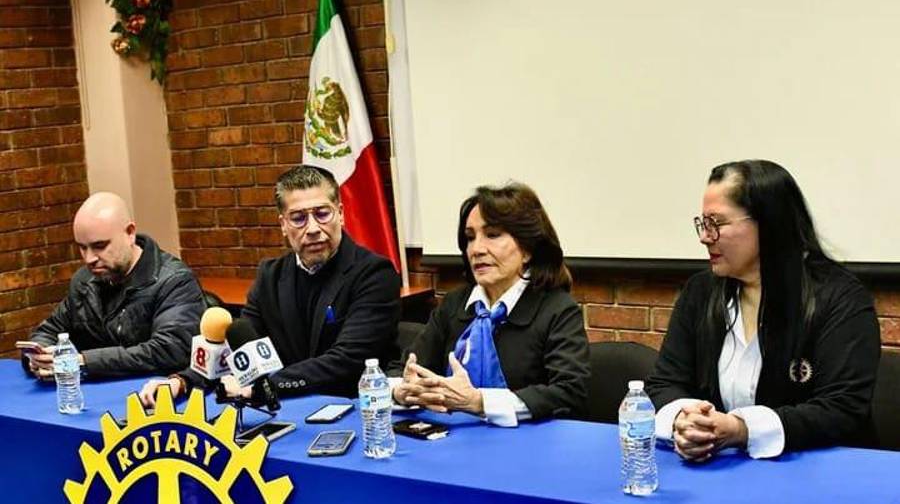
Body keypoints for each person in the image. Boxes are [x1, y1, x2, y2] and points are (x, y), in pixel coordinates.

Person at [646, 160, 880, 460]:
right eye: (703, 224)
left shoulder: (841, 299)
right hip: (721, 472)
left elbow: (842, 408)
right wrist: (685, 420)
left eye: (716, 224)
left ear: (769, 223)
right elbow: (665, 382)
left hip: (816, 474)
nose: (705, 237)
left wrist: (742, 429)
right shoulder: (701, 293)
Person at [139, 166, 401, 407]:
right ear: (283, 225)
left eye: (322, 214)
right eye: (298, 218)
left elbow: (346, 360)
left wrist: (263, 387)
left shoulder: (374, 273)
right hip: (285, 409)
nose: (312, 228)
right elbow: (238, 352)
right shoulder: (271, 276)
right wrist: (182, 381)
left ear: (341, 214)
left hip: (352, 409)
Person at [389, 182, 590, 426]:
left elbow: (569, 393)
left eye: (492, 235)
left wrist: (478, 402)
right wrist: (402, 390)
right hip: (453, 442)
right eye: (470, 238)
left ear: (527, 249)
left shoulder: (558, 309)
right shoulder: (455, 304)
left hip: (527, 447)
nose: (476, 249)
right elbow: (403, 369)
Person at [25, 192, 204, 379]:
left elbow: (169, 350)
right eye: (82, 247)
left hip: (154, 394)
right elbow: (49, 330)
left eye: (100, 246)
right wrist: (39, 356)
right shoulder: (85, 281)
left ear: (130, 233)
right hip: (96, 392)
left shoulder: (174, 281)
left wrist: (84, 361)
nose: (89, 258)